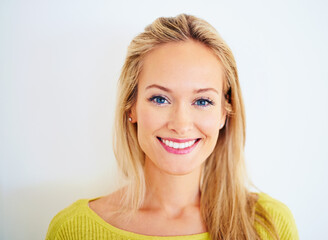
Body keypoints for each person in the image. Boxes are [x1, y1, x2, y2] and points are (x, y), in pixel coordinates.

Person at [46, 14, 299, 240]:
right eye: (160, 99)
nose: (181, 124)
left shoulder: (270, 226)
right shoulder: (72, 230)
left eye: (202, 101)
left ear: (225, 112)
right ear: (131, 107)